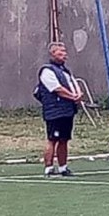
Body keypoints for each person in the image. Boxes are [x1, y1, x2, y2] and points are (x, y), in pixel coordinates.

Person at [35, 42, 83, 178]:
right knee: (53, 139)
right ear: (52, 54)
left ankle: (63, 167)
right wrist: (73, 96)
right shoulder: (47, 71)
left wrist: (78, 94)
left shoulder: (65, 71)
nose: (64, 55)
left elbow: (73, 83)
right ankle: (49, 168)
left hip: (67, 110)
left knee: (64, 139)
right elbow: (57, 89)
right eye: (60, 53)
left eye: (64, 52)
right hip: (55, 111)